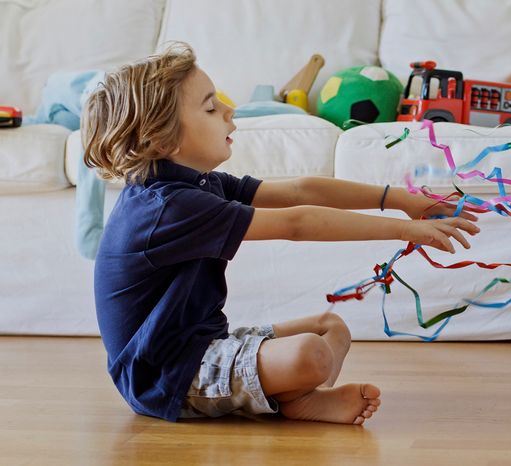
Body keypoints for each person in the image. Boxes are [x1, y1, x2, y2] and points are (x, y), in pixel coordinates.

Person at [81, 43, 479, 424]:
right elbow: (297, 222)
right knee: (310, 354)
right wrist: (406, 229)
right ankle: (300, 395)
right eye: (210, 106)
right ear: (161, 138)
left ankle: (296, 397)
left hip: (203, 348)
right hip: (166, 378)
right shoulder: (167, 209)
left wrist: (401, 199)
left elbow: (299, 190)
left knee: (329, 327)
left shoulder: (194, 185)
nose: (229, 109)